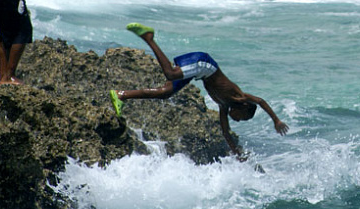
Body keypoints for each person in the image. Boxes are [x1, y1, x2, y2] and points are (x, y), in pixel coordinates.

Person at [110, 23, 289, 160]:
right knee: (171, 74)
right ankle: (149, 37)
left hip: (201, 71)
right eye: (241, 117)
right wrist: (276, 120)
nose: (237, 120)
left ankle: (121, 95)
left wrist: (237, 154)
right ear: (243, 108)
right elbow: (260, 100)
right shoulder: (239, 97)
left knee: (165, 92)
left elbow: (225, 132)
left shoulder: (223, 105)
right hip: (205, 65)